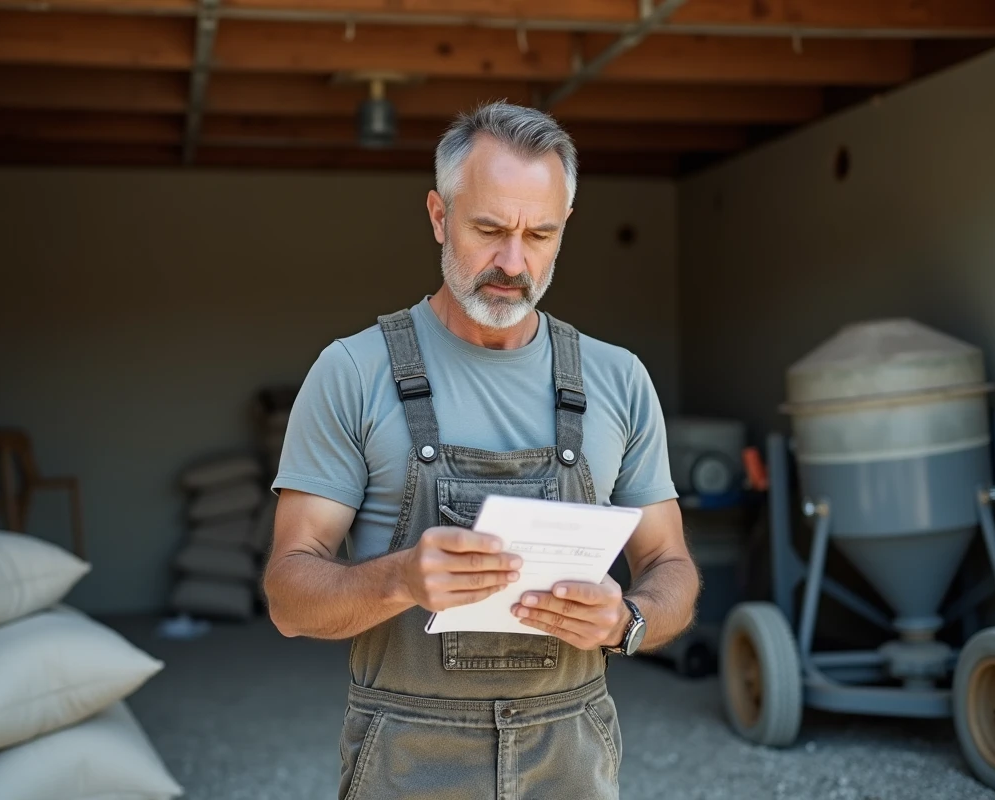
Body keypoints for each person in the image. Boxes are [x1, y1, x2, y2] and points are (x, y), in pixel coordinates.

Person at [262, 101, 700, 800]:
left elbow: (669, 565)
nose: (512, 263)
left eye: (540, 234)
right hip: (406, 756)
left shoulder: (618, 379)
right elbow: (288, 596)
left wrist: (629, 620)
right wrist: (400, 579)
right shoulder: (352, 373)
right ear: (439, 215)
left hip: (573, 756)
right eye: (489, 229)